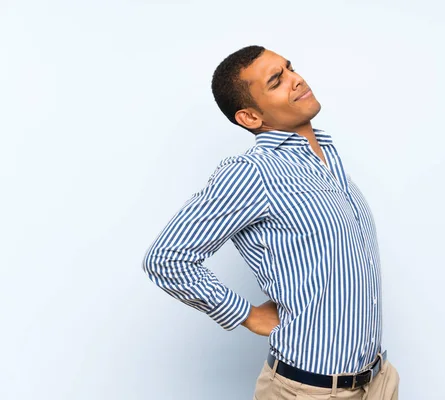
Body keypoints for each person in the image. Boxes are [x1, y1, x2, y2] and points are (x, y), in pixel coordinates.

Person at [142, 45, 400, 399]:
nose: (296, 80)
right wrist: (246, 314)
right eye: (277, 81)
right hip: (311, 391)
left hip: (377, 382)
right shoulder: (252, 173)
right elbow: (167, 258)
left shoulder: (326, 160)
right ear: (250, 117)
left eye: (290, 68)